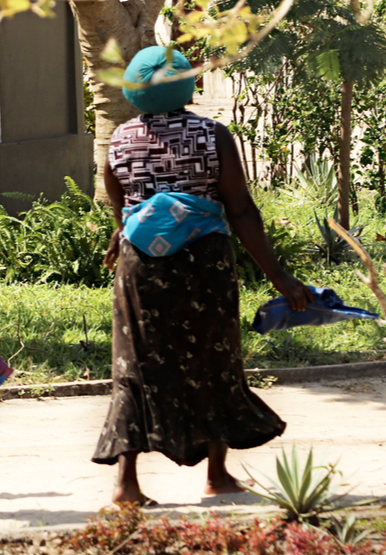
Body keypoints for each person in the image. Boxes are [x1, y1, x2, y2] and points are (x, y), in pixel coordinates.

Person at [93, 46, 313, 506]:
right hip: (202, 262)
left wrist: (122, 231)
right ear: (187, 85)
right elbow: (241, 210)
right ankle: (217, 474)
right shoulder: (213, 136)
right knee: (214, 360)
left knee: (135, 366)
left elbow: (117, 196)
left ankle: (126, 484)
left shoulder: (121, 138)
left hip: (141, 267)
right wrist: (280, 278)